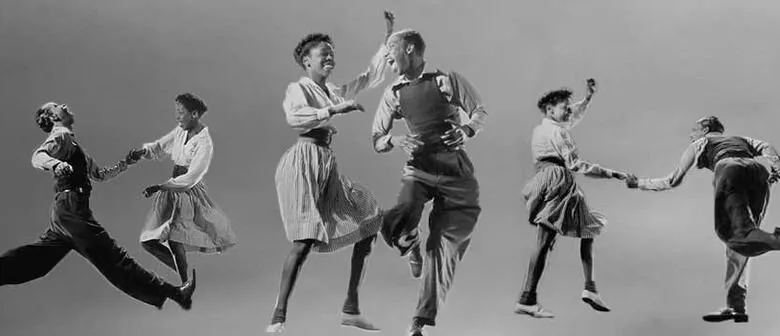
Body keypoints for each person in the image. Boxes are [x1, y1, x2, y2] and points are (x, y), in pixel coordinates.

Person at [265, 11, 395, 335]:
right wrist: (333, 110)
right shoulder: (299, 88)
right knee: (304, 240)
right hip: (302, 162)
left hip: (326, 163)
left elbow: (368, 78)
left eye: (332, 54)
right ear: (307, 61)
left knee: (370, 220)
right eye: (324, 53)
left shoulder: (332, 90)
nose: (330, 57)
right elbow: (295, 117)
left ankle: (351, 308)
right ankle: (278, 316)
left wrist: (387, 39)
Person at [0, 102, 196, 310]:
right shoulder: (61, 137)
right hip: (71, 209)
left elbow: (101, 175)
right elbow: (37, 157)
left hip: (66, 211)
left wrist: (125, 163)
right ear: (52, 117)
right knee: (112, 257)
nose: (64, 105)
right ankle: (174, 293)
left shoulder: (74, 147)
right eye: (57, 106)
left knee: (36, 261)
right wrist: (56, 165)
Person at [371, 28, 487, 336]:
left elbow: (478, 112)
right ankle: (409, 242)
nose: (386, 59)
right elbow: (377, 138)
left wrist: (466, 131)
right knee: (404, 209)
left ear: (408, 49)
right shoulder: (394, 93)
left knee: (441, 249)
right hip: (419, 170)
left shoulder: (445, 80)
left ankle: (419, 322)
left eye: (389, 51)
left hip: (455, 175)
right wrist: (395, 140)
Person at [626, 116, 780, 323]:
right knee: (743, 240)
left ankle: (776, 241)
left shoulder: (702, 143)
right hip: (758, 173)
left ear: (705, 129)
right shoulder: (741, 139)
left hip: (730, 169)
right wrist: (777, 168)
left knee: (733, 234)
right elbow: (767, 146)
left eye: (694, 130)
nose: (691, 135)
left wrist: (639, 184)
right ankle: (736, 306)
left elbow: (673, 179)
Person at [515, 80, 630, 319]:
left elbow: (572, 117)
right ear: (549, 109)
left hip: (547, 178)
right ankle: (527, 298)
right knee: (544, 242)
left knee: (587, 229)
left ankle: (590, 288)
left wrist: (587, 98)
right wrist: (613, 173)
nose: (569, 110)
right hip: (557, 180)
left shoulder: (544, 128)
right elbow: (577, 164)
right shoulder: (557, 132)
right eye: (564, 106)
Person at [126, 93, 237, 285]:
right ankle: (186, 276)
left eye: (181, 112)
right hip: (172, 189)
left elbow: (191, 177)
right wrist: (142, 152)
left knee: (176, 239)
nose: (177, 117)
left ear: (194, 114)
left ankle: (186, 283)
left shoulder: (204, 143)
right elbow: (161, 146)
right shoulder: (180, 131)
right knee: (148, 241)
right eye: (176, 112)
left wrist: (161, 186)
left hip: (188, 192)